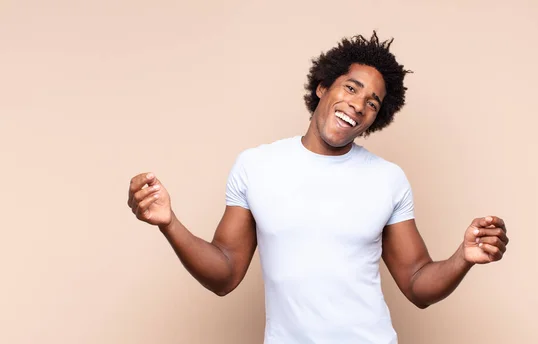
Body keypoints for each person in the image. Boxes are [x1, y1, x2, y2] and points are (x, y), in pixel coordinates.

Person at [127, 31, 509, 344]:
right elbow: (224, 274)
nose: (358, 105)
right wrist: (169, 223)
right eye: (351, 88)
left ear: (375, 120)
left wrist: (462, 257)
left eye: (372, 103)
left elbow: (416, 283)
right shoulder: (256, 166)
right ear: (322, 87)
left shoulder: (387, 179)